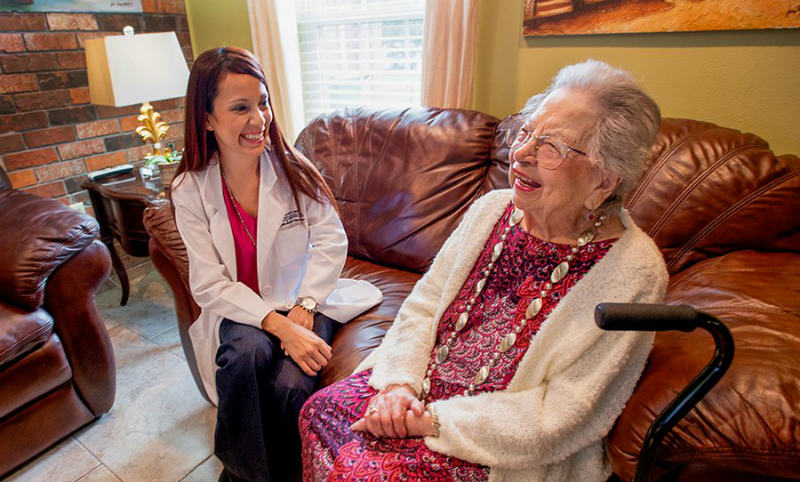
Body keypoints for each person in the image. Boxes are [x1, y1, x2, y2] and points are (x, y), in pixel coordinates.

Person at [299, 59, 668, 482]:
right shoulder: (493, 209)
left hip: (494, 440)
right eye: (527, 133)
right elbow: (425, 302)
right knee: (319, 412)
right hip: (416, 390)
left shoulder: (633, 272)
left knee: (364, 473)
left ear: (604, 179)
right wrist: (398, 386)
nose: (522, 154)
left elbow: (567, 412)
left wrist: (431, 423)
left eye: (552, 147)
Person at [170, 47, 381, 482]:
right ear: (206, 119)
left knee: (290, 385)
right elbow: (209, 284)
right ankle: (251, 475)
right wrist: (279, 326)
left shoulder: (293, 169)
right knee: (244, 356)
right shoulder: (190, 189)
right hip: (243, 307)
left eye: (263, 102)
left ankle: (243, 476)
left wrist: (303, 307)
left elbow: (329, 240)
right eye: (241, 108)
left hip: (303, 298)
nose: (259, 119)